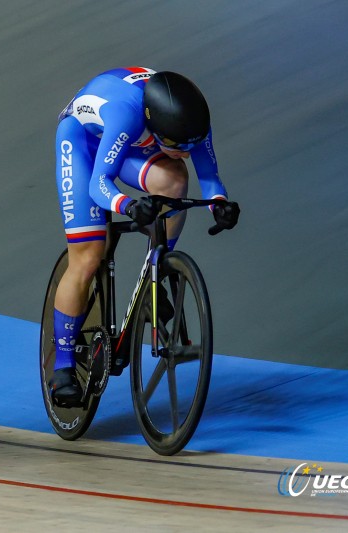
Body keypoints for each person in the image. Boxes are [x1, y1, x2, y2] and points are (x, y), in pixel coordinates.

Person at [50, 67, 239, 407]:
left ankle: (157, 270)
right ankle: (63, 366)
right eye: (176, 146)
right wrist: (127, 205)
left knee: (175, 181)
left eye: (190, 146)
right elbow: (98, 185)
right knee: (89, 255)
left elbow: (209, 178)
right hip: (83, 142)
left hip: (135, 142)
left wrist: (219, 206)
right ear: (157, 128)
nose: (185, 150)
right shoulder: (127, 114)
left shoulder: (191, 121)